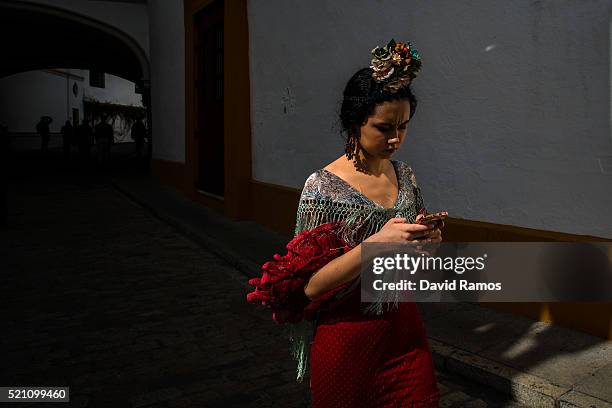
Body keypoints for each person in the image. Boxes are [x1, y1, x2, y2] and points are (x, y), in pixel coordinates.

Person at [249, 39, 443, 407]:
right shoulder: (322, 189)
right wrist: (373, 248)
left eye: (404, 126)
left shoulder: (406, 177)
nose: (396, 139)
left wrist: (425, 244)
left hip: (404, 334)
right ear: (355, 122)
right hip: (348, 340)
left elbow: (412, 270)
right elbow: (305, 288)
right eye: (384, 127)